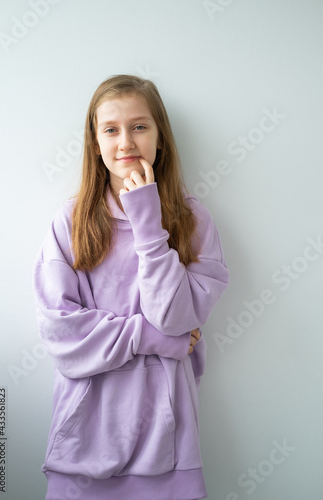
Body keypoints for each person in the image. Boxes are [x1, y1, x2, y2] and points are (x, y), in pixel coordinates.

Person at [33, 74, 229, 500]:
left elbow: (176, 317)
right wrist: (155, 338)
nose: (126, 142)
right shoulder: (68, 223)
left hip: (168, 446)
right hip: (83, 447)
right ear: (95, 142)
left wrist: (146, 220)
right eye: (111, 129)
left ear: (161, 139)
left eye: (140, 126)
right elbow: (61, 334)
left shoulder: (194, 221)